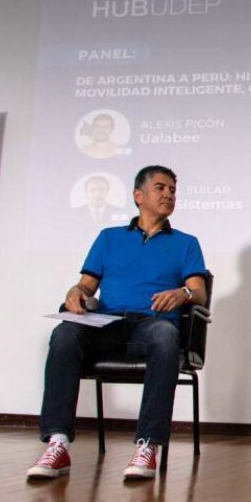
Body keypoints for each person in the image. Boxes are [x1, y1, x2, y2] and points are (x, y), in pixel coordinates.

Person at [27, 165, 208, 481]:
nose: (169, 195)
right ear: (139, 196)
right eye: (161, 188)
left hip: (152, 324)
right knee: (65, 333)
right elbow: (86, 285)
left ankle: (148, 444)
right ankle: (58, 442)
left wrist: (183, 293)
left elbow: (199, 292)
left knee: (166, 336)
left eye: (173, 190)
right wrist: (75, 293)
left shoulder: (186, 243)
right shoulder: (108, 238)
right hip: (109, 323)